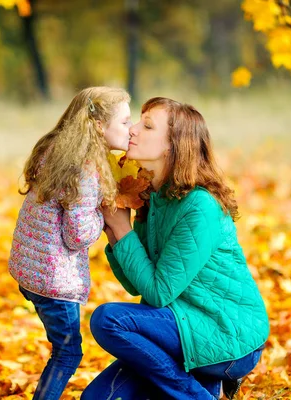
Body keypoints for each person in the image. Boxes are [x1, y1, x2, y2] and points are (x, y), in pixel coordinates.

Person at [82, 97, 270, 400]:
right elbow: (135, 284)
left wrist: (121, 227)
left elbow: (156, 292)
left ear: (173, 144)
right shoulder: (154, 197)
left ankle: (197, 395)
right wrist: (114, 231)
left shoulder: (199, 205)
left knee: (108, 320)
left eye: (147, 125)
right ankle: (197, 387)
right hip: (181, 329)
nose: (131, 130)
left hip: (224, 334)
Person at [9, 87, 132, 399]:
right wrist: (106, 215)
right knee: (68, 354)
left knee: (61, 346)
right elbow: (76, 235)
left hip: (30, 272)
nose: (130, 130)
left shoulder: (58, 151)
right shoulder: (86, 168)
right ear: (100, 127)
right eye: (125, 122)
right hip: (55, 283)